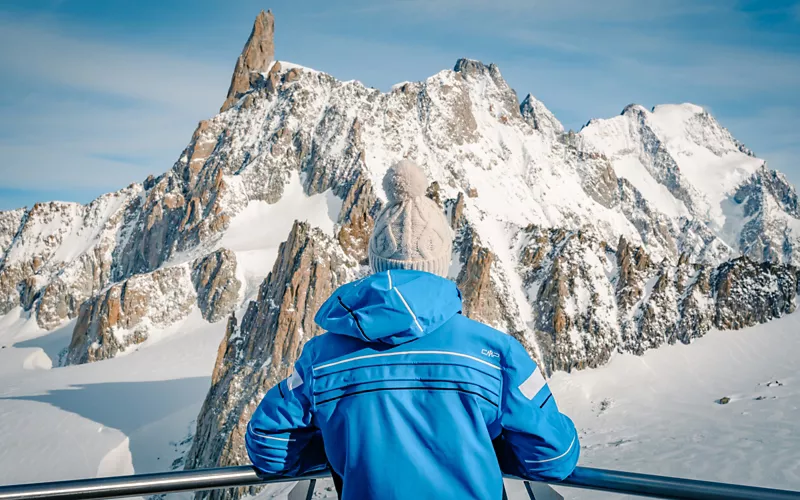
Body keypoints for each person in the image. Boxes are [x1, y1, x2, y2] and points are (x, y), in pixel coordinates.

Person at [245, 160, 580, 499]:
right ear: (441, 262)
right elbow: (554, 457)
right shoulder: (496, 353)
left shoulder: (320, 358)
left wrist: (340, 447)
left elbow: (268, 445)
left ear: (376, 263)